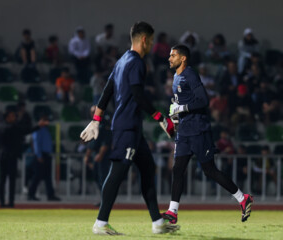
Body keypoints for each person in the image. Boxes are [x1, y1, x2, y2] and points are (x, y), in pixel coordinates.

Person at [80, 21, 179, 235]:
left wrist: (97, 118)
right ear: (144, 39)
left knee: (147, 168)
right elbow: (137, 95)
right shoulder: (137, 62)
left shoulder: (122, 60)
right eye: (151, 41)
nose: (152, 45)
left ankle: (158, 223)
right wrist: (160, 117)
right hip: (128, 126)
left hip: (130, 126)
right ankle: (101, 222)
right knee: (118, 171)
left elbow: (107, 90)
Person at [162, 45, 253, 224]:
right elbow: (183, 101)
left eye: (173, 55)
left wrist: (182, 108)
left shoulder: (190, 74)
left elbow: (204, 100)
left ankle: (243, 198)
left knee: (209, 170)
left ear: (183, 58)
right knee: (178, 169)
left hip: (198, 130)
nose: (169, 58)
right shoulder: (176, 77)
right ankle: (172, 211)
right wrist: (175, 113)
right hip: (185, 131)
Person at [0, 110, 48, 208]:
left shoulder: (8, 127)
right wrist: (37, 126)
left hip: (10, 156)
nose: (14, 118)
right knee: (3, 179)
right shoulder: (6, 127)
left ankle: (10, 202)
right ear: (7, 118)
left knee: (10, 180)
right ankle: (3, 202)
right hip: (6, 156)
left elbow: (25, 130)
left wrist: (37, 126)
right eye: (11, 116)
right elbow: (24, 131)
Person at [28, 115, 61, 201]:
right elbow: (36, 143)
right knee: (37, 176)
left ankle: (50, 195)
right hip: (41, 155)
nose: (46, 122)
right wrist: (39, 155)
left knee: (47, 176)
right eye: (44, 120)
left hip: (46, 154)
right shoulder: (37, 130)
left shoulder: (46, 129)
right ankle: (31, 194)